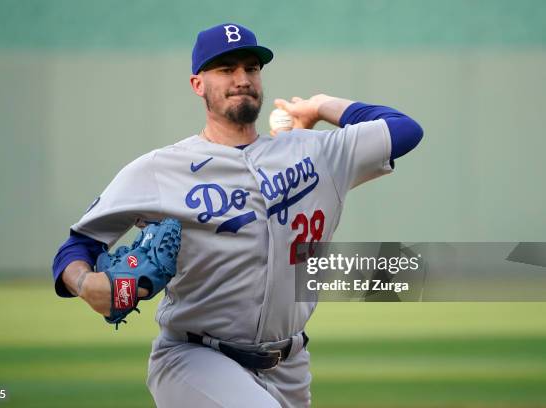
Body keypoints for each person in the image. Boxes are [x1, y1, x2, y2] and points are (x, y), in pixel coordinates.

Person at [52, 22, 423, 407]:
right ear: (198, 84)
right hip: (195, 359)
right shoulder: (160, 169)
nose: (242, 78)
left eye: (251, 68)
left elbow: (404, 130)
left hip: (290, 365)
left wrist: (320, 105)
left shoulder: (315, 155)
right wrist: (84, 283)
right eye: (226, 69)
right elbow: (76, 246)